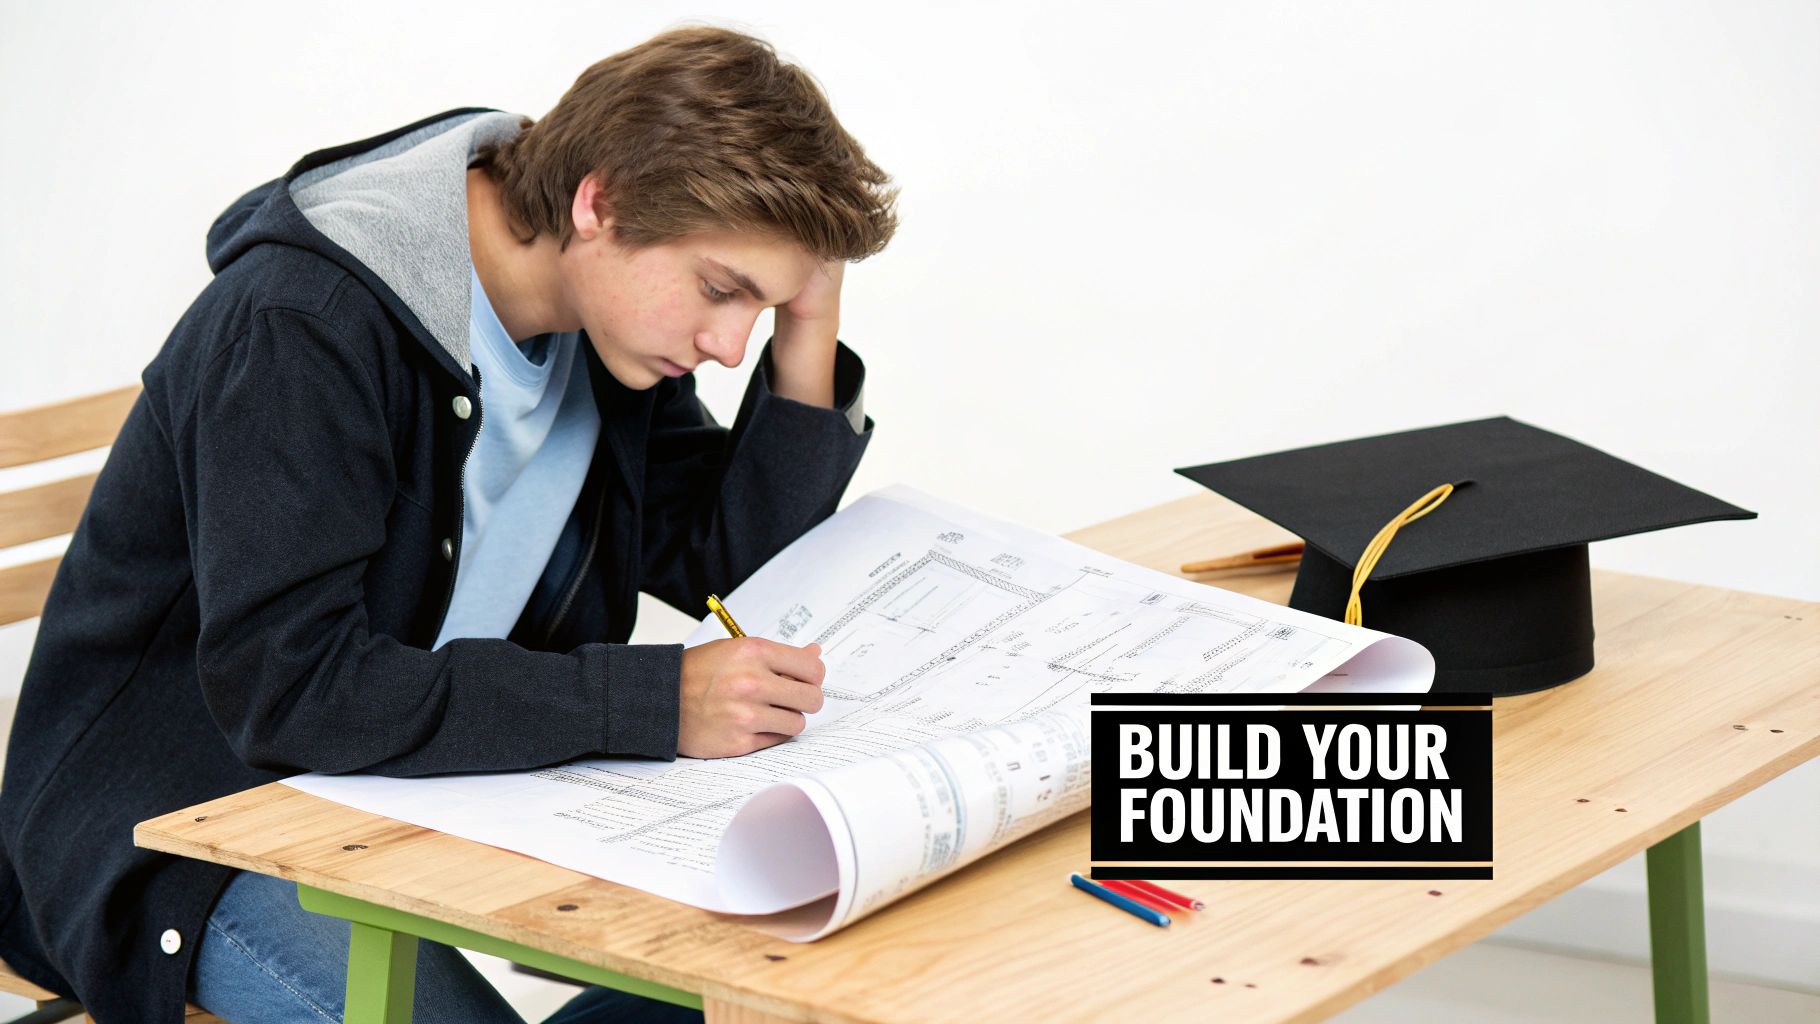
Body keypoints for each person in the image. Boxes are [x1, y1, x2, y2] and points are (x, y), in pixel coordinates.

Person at [0, 25, 896, 1023]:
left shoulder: (609, 330)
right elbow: (292, 689)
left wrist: (807, 320)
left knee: (786, 986)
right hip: (186, 833)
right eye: (721, 290)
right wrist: (648, 701)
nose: (730, 347)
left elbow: (731, 571)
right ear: (599, 202)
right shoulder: (307, 319)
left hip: (425, 794)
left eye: (758, 308)